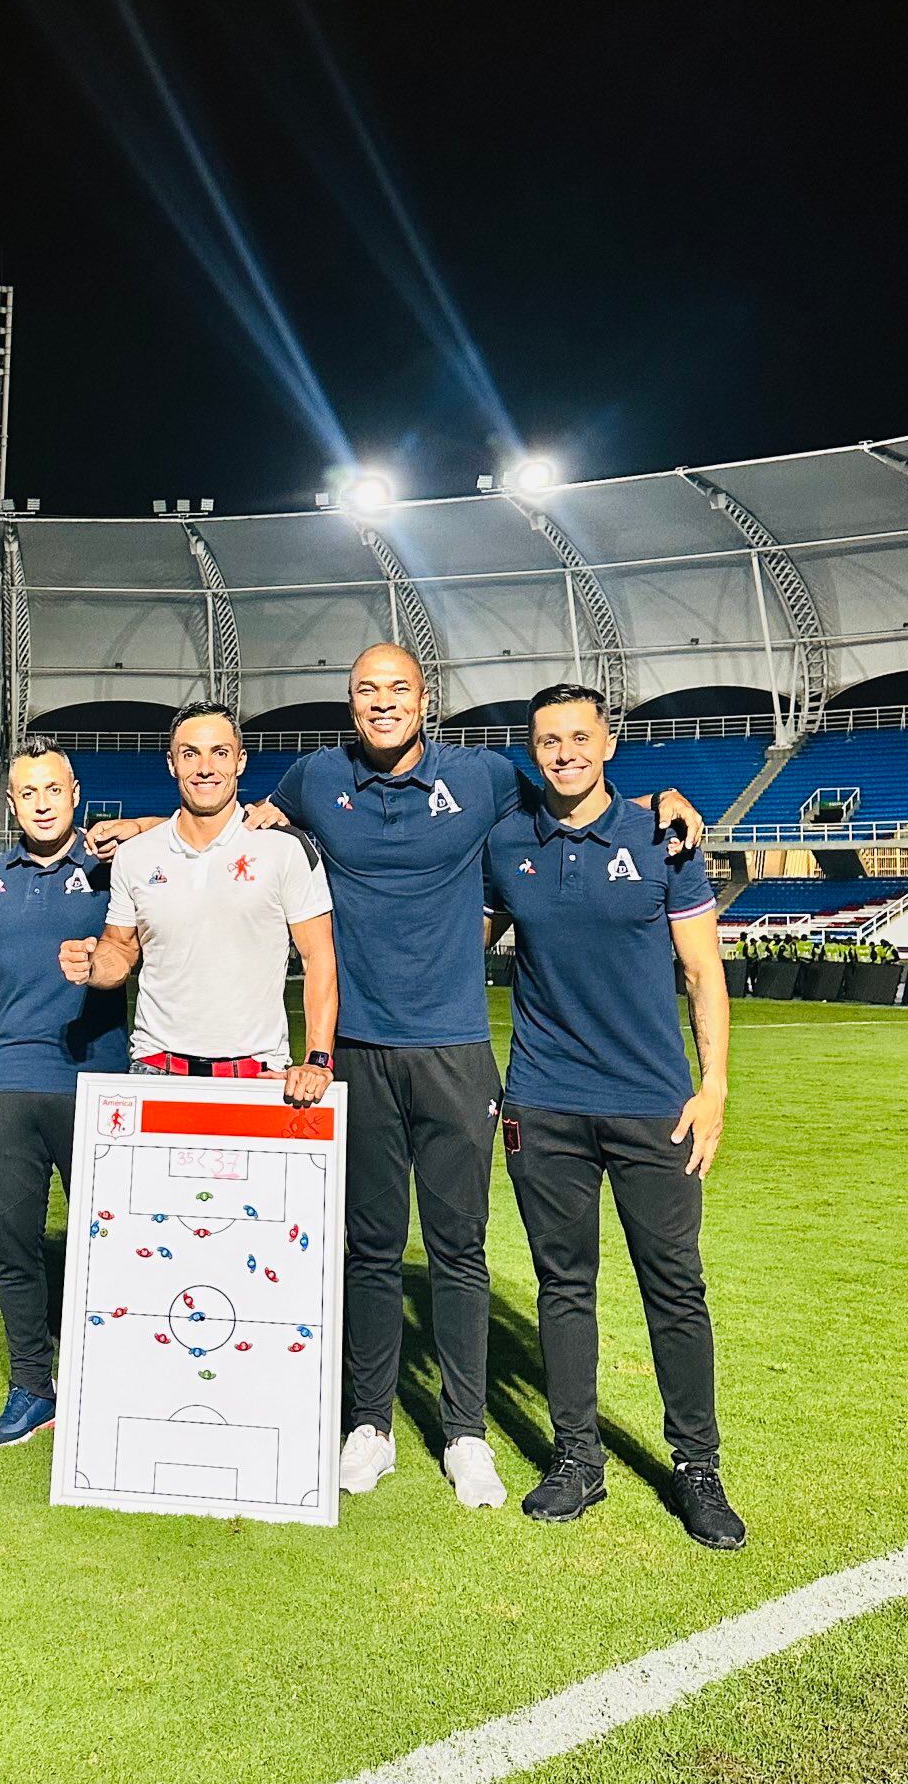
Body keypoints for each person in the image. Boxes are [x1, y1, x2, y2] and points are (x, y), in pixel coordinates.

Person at [241, 644, 704, 1507]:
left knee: (460, 1252)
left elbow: (578, 800)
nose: (383, 704)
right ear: (350, 705)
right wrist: (135, 833)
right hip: (357, 1053)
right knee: (370, 1251)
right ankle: (368, 1426)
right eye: (367, 691)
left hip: (457, 1050)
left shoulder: (487, 776)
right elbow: (239, 825)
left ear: (427, 699)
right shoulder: (312, 779)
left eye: (400, 690)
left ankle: (465, 1435)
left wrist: (658, 800)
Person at [484, 682, 745, 1549]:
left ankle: (697, 1468)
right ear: (534, 750)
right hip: (544, 1105)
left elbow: (705, 976)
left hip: (651, 1110)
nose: (563, 752)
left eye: (578, 736)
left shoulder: (662, 837)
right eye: (548, 739)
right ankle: (577, 1461)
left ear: (607, 744)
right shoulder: (506, 843)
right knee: (565, 1286)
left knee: (675, 1287)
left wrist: (712, 1091)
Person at [0, 736, 129, 1447]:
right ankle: (32, 1387)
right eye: (28, 793)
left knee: (114, 1247)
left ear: (76, 791)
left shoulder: (115, 869)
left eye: (53, 789)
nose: (42, 803)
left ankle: (115, 1384)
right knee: (13, 1244)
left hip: (98, 1083)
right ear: (12, 802)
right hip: (8, 1083)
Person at [59, 702, 337, 1114]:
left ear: (240, 761)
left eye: (219, 752)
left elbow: (318, 957)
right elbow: (120, 948)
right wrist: (92, 965)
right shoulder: (136, 855)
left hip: (257, 1077)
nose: (205, 767)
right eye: (190, 753)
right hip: (155, 1075)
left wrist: (317, 1059)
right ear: (172, 763)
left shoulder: (285, 848)